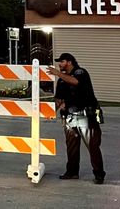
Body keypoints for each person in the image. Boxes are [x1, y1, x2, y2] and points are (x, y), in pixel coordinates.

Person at [49, 52, 105, 184]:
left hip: (86, 116)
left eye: (61, 62)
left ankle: (99, 174)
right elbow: (58, 98)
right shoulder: (62, 80)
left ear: (69, 62)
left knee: (92, 145)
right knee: (71, 146)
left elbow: (75, 82)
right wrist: (54, 109)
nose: (59, 64)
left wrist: (57, 73)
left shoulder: (80, 72)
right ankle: (72, 172)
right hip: (69, 117)